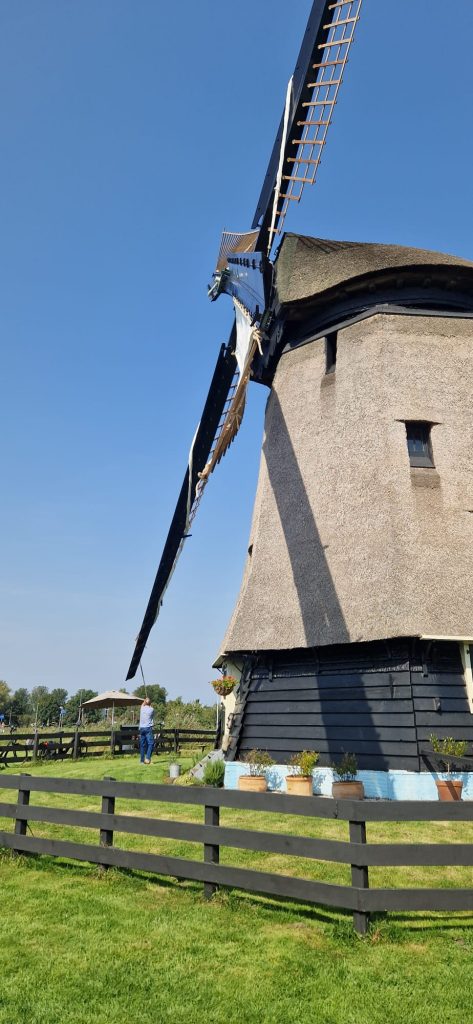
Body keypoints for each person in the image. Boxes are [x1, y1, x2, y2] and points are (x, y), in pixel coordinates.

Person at [139, 697, 154, 765]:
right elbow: (152, 715)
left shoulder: (142, 708)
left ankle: (142, 761)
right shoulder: (152, 709)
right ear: (150, 703)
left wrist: (145, 700)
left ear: (145, 702)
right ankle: (147, 758)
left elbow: (143, 704)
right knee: (151, 743)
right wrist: (148, 701)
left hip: (142, 728)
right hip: (148, 728)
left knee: (142, 745)